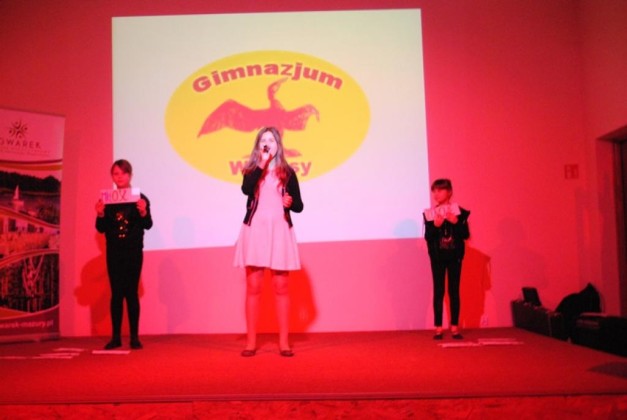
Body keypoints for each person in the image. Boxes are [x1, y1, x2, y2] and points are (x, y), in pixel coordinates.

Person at [233, 127, 304, 357]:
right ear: (258, 146)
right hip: (255, 231)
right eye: (263, 140)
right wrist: (262, 164)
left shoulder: (288, 172)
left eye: (271, 140)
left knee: (281, 287)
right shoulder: (252, 170)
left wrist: (290, 202)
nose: (267, 143)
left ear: (278, 145)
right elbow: (246, 189)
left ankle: (284, 343)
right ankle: (250, 343)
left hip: (279, 230)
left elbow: (299, 206)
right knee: (253, 287)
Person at [95, 159, 153, 350]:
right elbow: (101, 228)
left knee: (131, 293)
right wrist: (100, 214)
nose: (119, 177)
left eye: (123, 173)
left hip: (133, 252)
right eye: (116, 174)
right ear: (112, 176)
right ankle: (116, 337)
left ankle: (134, 337)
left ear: (130, 175)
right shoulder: (107, 199)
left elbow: (148, 225)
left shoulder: (140, 198)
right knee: (116, 294)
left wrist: (143, 212)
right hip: (114, 252)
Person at [423, 178, 470, 340]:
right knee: (439, 290)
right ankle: (438, 327)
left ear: (449, 192)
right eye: (434, 191)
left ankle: (455, 327)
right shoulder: (430, 213)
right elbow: (428, 237)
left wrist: (456, 222)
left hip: (455, 256)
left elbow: (465, 235)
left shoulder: (460, 212)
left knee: (454, 290)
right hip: (437, 257)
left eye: (440, 190)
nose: (436, 194)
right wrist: (436, 226)